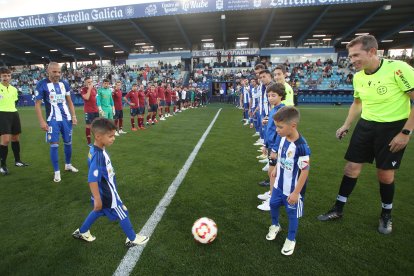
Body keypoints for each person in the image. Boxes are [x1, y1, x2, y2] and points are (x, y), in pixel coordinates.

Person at [317, 35, 414, 234]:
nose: (351, 60)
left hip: (393, 128)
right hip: (366, 126)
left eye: (355, 55)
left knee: (385, 175)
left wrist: (405, 132)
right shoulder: (358, 76)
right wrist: (346, 125)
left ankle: (386, 214)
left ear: (371, 52)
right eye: (350, 56)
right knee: (351, 168)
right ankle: (338, 209)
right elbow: (357, 103)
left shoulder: (398, 69)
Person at [72, 118, 149, 247]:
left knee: (98, 211)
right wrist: (97, 198)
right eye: (110, 136)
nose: (113, 138)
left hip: (103, 190)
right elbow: (92, 178)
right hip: (107, 193)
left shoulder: (95, 149)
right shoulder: (98, 156)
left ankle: (82, 231)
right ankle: (132, 238)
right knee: (122, 211)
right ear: (98, 136)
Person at [266, 106, 311, 256]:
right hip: (279, 186)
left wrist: (296, 193)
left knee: (292, 215)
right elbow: (281, 156)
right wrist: (277, 169)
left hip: (292, 190)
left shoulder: (302, 147)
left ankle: (291, 238)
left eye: (280, 126)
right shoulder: (282, 138)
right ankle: (275, 225)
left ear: (293, 126)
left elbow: (305, 171)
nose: (277, 130)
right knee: (272, 204)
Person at [34, 62, 79, 183]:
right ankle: (57, 172)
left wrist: (73, 115)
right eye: (54, 72)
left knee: (68, 142)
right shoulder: (42, 84)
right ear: (48, 72)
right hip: (52, 120)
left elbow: (69, 101)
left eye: (59, 72)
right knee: (54, 144)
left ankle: (68, 165)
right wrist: (42, 121)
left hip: (66, 119)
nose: (57, 74)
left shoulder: (64, 83)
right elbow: (37, 105)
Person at [257, 83, 286, 211]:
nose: (270, 98)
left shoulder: (281, 110)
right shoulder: (274, 109)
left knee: (273, 173)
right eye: (268, 95)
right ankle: (271, 193)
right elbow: (271, 128)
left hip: (276, 147)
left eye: (273, 95)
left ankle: (273, 200)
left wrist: (274, 149)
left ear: (281, 95)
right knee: (271, 172)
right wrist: (265, 144)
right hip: (271, 146)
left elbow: (280, 133)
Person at [0, 67, 29, 175]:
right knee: (5, 140)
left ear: (10, 77)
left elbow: (14, 101)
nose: (6, 78)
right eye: (4, 76)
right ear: (0, 76)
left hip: (14, 113)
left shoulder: (14, 89)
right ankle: (2, 166)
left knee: (16, 138)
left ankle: (17, 161)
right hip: (2, 114)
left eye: (8, 75)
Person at [80, 77, 99, 146]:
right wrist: (90, 89)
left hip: (95, 110)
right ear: (85, 83)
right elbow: (87, 97)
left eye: (91, 82)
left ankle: (97, 140)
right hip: (88, 110)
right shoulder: (83, 89)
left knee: (96, 125)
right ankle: (89, 142)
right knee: (88, 125)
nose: (90, 83)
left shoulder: (94, 89)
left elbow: (95, 99)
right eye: (88, 82)